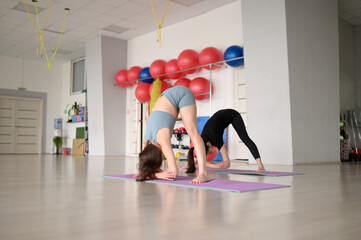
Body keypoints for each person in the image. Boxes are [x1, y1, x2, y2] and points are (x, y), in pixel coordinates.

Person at [137, 85, 209, 184]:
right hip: (167, 96)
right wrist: (146, 172)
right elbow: (144, 160)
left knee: (193, 132)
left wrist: (155, 175)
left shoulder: (162, 139)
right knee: (192, 131)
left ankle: (203, 173)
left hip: (181, 94)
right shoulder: (147, 141)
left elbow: (173, 172)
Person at [186, 109, 265, 173]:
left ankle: (261, 166)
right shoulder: (201, 141)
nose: (211, 153)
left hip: (232, 115)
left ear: (208, 144)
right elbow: (200, 159)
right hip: (219, 117)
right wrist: (192, 164)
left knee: (245, 139)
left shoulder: (217, 139)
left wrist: (216, 165)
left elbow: (227, 164)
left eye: (209, 152)